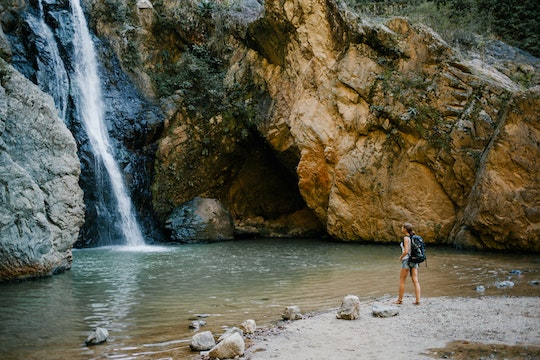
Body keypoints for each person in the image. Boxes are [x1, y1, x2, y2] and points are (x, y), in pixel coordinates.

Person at [393, 222, 421, 305]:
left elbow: (406, 251)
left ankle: (400, 300)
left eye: (402, 227)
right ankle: (418, 300)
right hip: (414, 260)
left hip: (406, 260)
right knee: (415, 280)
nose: (401, 228)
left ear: (405, 229)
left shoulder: (406, 238)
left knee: (402, 280)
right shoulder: (414, 237)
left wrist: (401, 257)